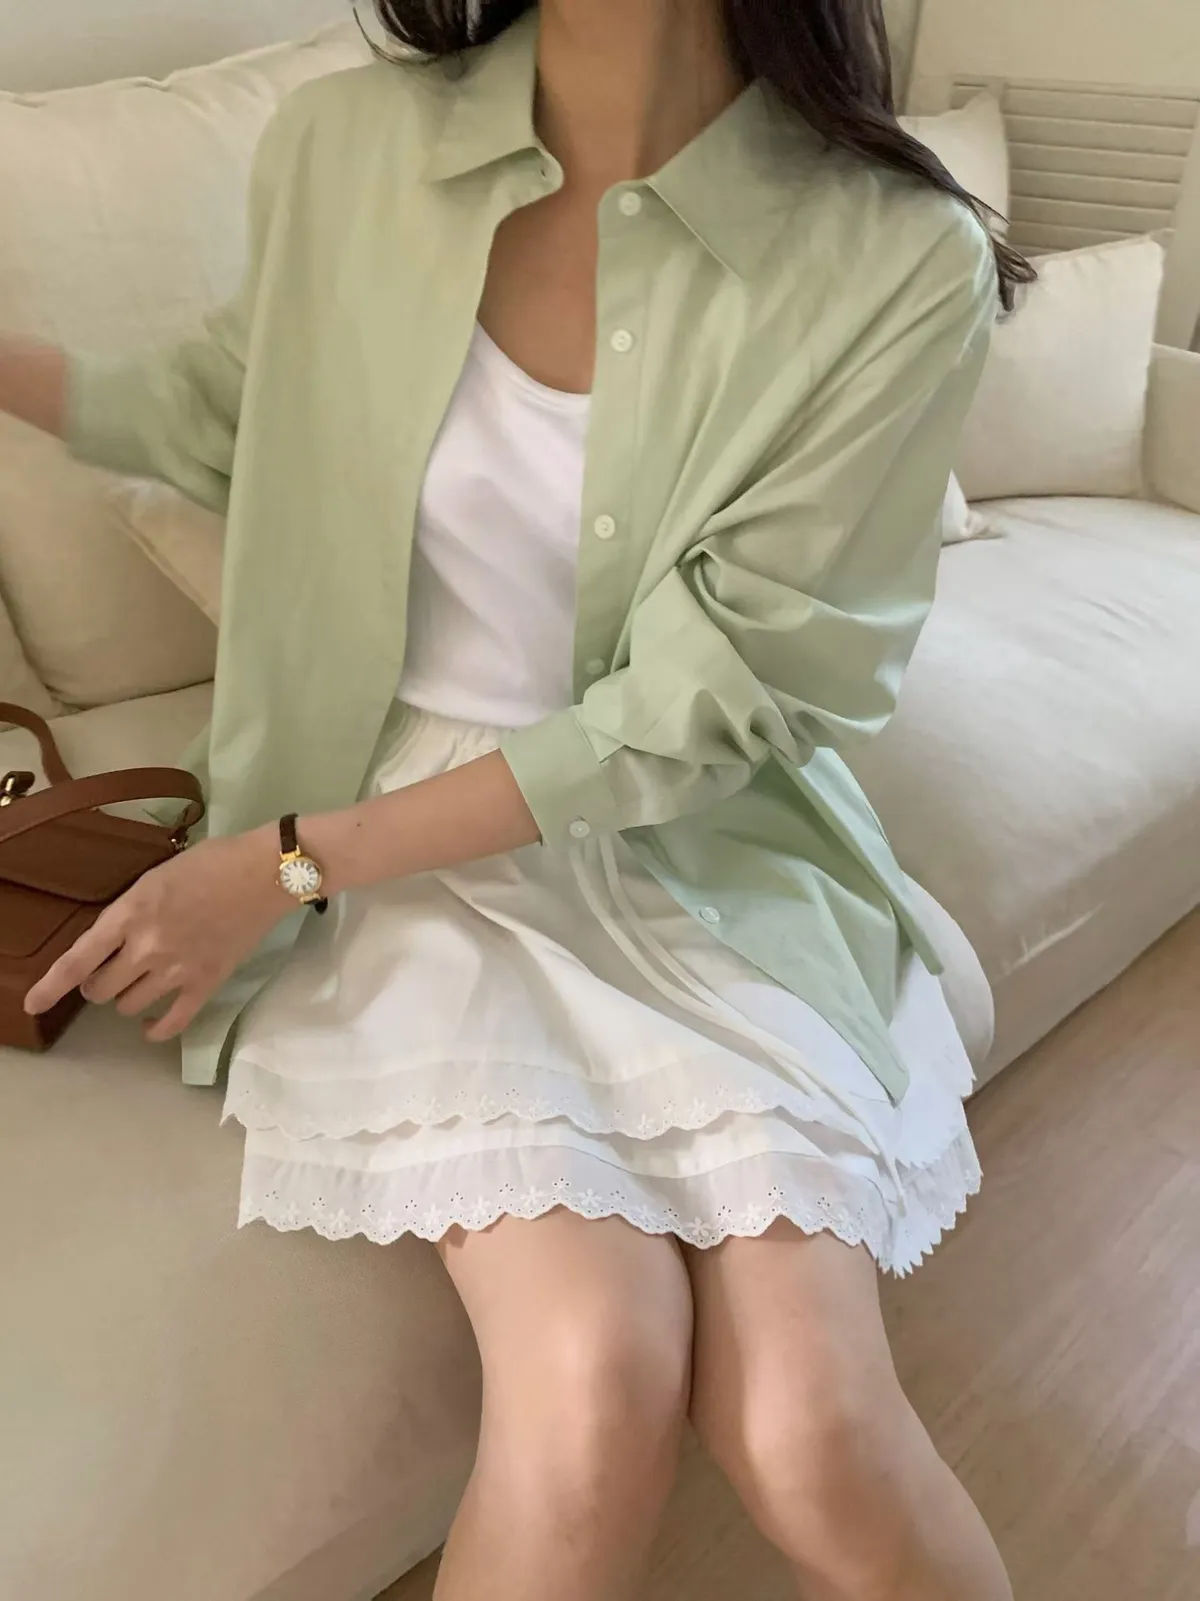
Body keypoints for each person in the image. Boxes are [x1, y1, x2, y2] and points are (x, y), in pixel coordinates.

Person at [2, 2, 1025, 1595]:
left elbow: (715, 708)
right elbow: (220, 413)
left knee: (813, 1426)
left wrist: (281, 866)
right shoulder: (348, 148)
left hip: (691, 853)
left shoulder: (895, 257)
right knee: (591, 1377)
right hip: (398, 854)